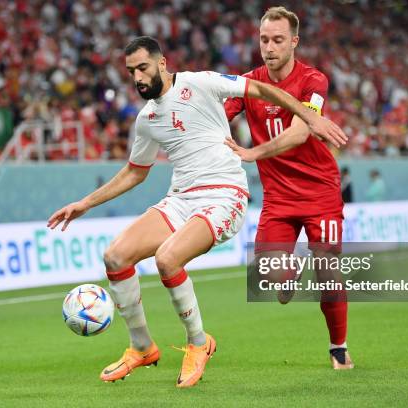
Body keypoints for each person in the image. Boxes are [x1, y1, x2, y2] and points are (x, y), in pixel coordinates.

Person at [47, 36, 345, 388]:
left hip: (225, 195)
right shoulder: (147, 119)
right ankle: (142, 347)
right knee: (115, 256)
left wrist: (307, 118)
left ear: (161, 63)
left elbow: (262, 90)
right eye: (131, 72)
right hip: (181, 198)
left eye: (142, 68)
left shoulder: (201, 82)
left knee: (167, 258)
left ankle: (199, 343)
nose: (137, 78)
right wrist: (84, 203)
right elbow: (135, 172)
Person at [223, 7, 353, 369]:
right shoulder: (248, 83)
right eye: (264, 39)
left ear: (294, 41)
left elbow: (300, 131)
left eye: (278, 40)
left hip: (319, 193)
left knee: (328, 269)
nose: (270, 46)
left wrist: (252, 152)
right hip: (279, 198)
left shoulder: (313, 81)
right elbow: (218, 114)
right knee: (269, 279)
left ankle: (338, 347)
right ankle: (289, 271)